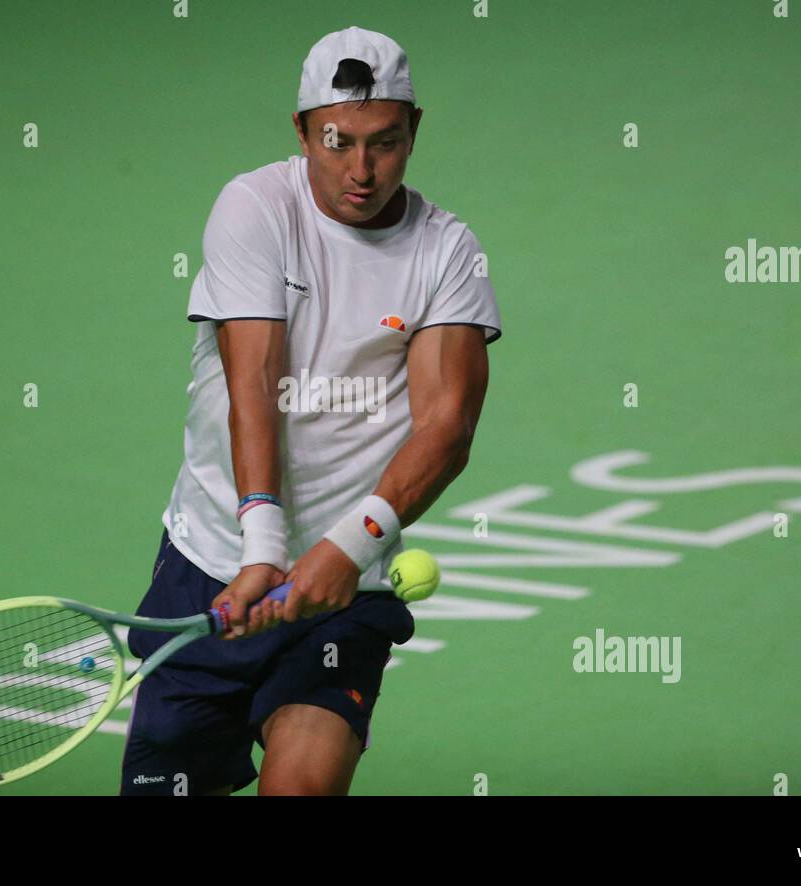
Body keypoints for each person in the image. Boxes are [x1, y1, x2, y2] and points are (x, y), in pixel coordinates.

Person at [120, 25, 502, 796]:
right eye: (338, 142)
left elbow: (446, 425)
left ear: (414, 130)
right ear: (302, 132)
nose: (361, 171)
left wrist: (351, 544)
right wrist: (262, 543)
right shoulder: (255, 209)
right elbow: (253, 383)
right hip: (210, 570)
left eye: (385, 143)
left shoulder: (447, 252)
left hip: (344, 594)